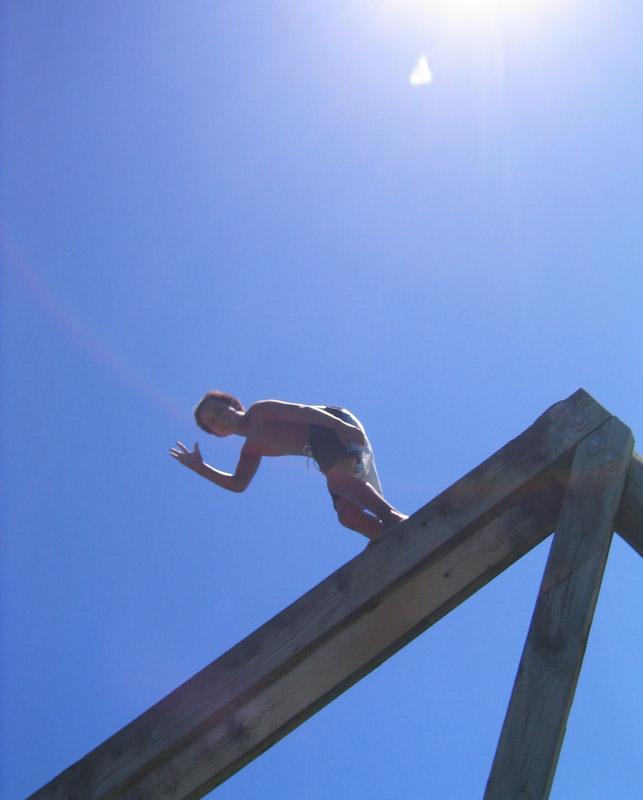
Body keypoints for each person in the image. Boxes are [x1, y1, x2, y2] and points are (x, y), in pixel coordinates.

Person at [170, 391, 407, 542]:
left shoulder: (258, 412)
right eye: (213, 422)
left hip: (329, 424)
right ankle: (387, 539)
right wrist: (201, 468)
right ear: (217, 434)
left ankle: (393, 518)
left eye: (219, 411)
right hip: (321, 448)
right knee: (348, 515)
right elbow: (238, 483)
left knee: (337, 481)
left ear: (233, 404)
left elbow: (303, 411)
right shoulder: (250, 450)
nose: (220, 419)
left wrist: (339, 426)